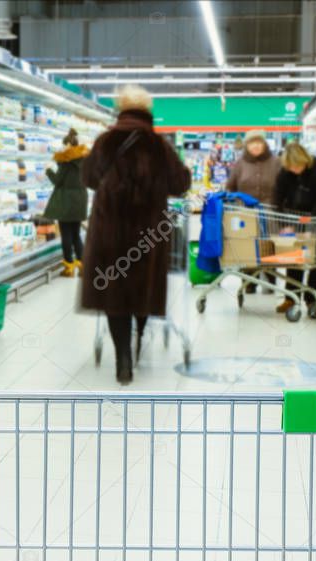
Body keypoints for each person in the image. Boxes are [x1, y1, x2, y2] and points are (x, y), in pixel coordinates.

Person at [80, 85, 191, 384]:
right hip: (148, 233)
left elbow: (88, 177)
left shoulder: (105, 140)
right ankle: (139, 342)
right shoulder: (159, 145)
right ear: (148, 111)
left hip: (110, 230)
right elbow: (180, 184)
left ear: (121, 109)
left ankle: (123, 361)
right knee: (143, 290)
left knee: (115, 295)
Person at [273, 141, 316, 313]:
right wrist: (285, 225)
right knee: (295, 256)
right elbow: (277, 199)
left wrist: (313, 229)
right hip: (296, 217)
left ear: (305, 160)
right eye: (291, 167)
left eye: (298, 166)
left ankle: (314, 298)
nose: (295, 170)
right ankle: (291, 297)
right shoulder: (285, 172)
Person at [225, 129, 282, 293]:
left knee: (269, 246)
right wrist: (232, 203)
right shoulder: (240, 164)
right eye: (252, 142)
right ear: (246, 145)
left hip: (271, 213)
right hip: (246, 213)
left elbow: (284, 187)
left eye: (259, 142)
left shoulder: (276, 162)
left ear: (264, 144)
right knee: (248, 248)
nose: (256, 146)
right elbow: (230, 186)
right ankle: (249, 282)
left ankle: (270, 279)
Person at [44, 128, 89, 277]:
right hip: (80, 200)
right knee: (76, 234)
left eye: (64, 145)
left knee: (66, 235)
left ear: (69, 145)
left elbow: (58, 181)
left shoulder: (66, 162)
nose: (63, 148)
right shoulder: (84, 160)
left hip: (65, 202)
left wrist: (48, 171)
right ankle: (82, 265)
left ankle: (68, 267)